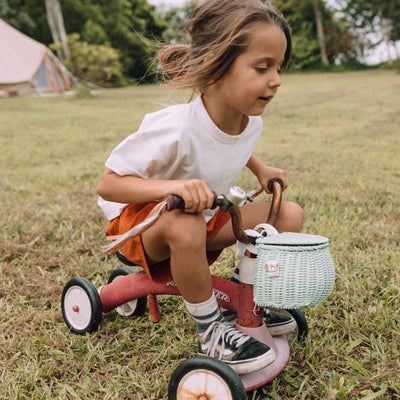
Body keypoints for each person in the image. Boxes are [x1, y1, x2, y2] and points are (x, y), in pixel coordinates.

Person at [96, 0, 303, 375]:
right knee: (186, 220)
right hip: (140, 231)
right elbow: (108, 184)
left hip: (200, 219)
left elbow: (233, 144)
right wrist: (173, 187)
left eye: (278, 67)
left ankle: (245, 300)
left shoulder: (249, 120)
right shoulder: (175, 127)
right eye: (262, 67)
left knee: (288, 214)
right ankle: (211, 331)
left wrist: (259, 167)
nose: (276, 80)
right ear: (217, 66)